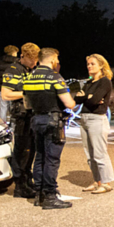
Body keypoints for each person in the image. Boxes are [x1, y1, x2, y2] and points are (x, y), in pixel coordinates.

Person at [23, 48, 76, 209]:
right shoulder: (55, 77)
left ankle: (39, 194)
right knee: (52, 160)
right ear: (53, 60)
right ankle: (50, 196)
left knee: (40, 157)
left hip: (36, 120)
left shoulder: (30, 77)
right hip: (53, 121)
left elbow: (27, 103)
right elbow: (69, 104)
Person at [1, 42, 40, 198]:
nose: (34, 63)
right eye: (32, 60)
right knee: (22, 151)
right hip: (21, 117)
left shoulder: (33, 69)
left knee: (32, 151)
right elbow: (5, 94)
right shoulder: (13, 70)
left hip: (33, 115)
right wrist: (27, 93)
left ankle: (27, 180)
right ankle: (20, 185)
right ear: (23, 56)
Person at [76, 54, 114, 194]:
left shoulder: (105, 82)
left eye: (92, 64)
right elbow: (77, 100)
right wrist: (89, 97)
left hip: (96, 119)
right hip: (84, 119)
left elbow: (94, 101)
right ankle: (97, 181)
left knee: (99, 153)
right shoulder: (88, 83)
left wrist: (86, 97)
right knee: (89, 154)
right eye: (88, 64)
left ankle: (106, 183)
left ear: (101, 66)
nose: (89, 66)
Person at [0, 45, 19, 121]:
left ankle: (3, 124)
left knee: (3, 107)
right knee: (14, 108)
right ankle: (14, 124)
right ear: (14, 52)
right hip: (15, 89)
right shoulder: (18, 62)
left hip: (2, 87)